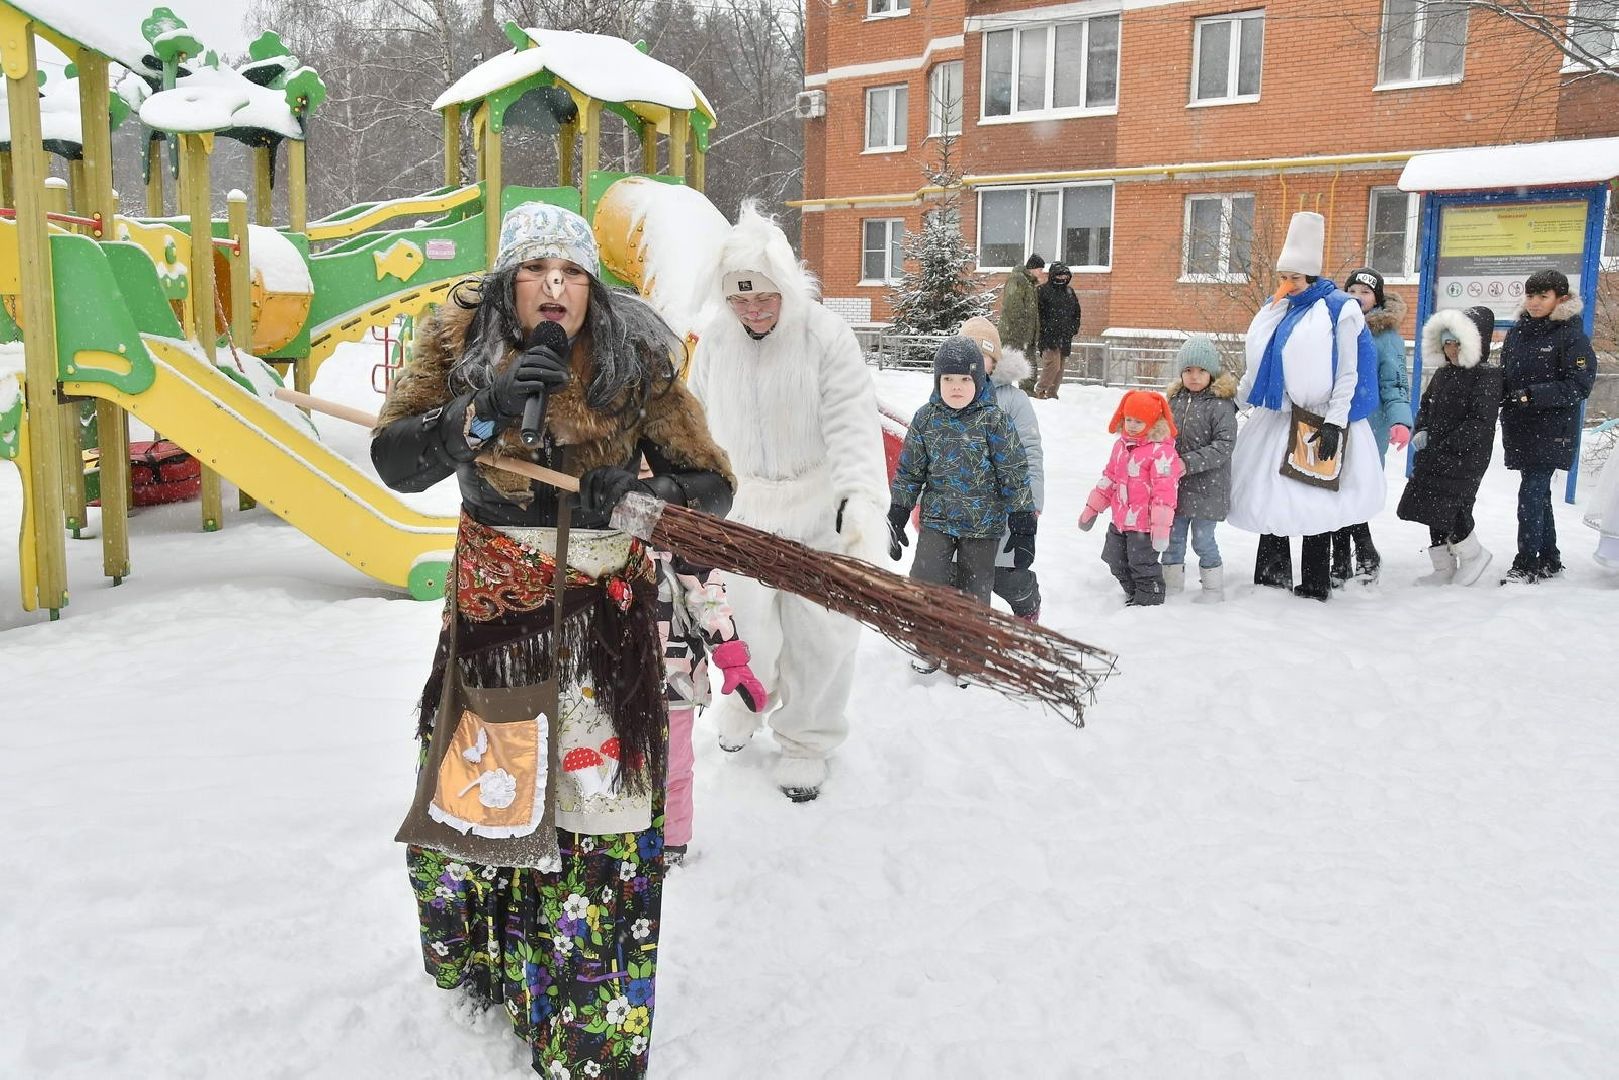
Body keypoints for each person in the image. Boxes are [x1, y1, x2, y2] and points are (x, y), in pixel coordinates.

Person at [370, 201, 736, 1078]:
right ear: (509, 282)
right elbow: (394, 460)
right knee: (492, 802)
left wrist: (650, 496)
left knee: (599, 812)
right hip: (497, 627)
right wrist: (479, 413)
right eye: (535, 269)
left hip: (600, 631)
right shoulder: (458, 343)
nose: (554, 286)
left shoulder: (633, 354)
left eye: (570, 271)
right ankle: (493, 971)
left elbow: (712, 486)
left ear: (589, 287)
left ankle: (589, 1030)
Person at [687, 202, 889, 802]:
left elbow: (852, 422)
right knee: (743, 625)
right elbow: (694, 424)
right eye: (739, 299)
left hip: (816, 505)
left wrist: (858, 499)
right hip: (744, 506)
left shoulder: (824, 336)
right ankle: (748, 699)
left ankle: (806, 739)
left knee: (820, 636)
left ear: (786, 288)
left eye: (763, 297)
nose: (752, 309)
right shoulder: (715, 343)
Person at [1228, 212, 1386, 602]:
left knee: (1316, 500)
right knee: (1272, 494)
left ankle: (1315, 583)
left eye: (1295, 278)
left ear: (1312, 276)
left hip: (1319, 416)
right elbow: (1260, 366)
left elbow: (1348, 371)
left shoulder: (1340, 308)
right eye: (1283, 277)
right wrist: (1232, 402)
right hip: (1278, 416)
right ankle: (1272, 575)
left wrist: (1335, 422)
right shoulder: (1276, 307)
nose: (1287, 285)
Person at [887, 335, 1036, 680]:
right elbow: (910, 472)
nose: (956, 387)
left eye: (965, 379)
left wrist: (1024, 522)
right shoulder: (926, 419)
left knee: (974, 592)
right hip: (937, 521)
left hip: (983, 526)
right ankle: (927, 645)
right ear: (937, 381)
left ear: (979, 380)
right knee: (925, 582)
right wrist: (898, 512)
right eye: (948, 379)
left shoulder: (994, 421)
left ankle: (969, 655)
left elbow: (1014, 473)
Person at [649, 547, 767, 866]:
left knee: (674, 765)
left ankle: (671, 841)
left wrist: (730, 654)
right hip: (608, 676)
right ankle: (612, 836)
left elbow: (706, 592)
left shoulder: (675, 538)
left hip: (675, 675)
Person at [1497, 269, 1598, 584]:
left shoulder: (1571, 336)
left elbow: (1579, 385)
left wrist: (1532, 395)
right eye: (1531, 295)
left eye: (1543, 296)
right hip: (1520, 426)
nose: (1535, 302)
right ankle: (1550, 558)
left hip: (1553, 429)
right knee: (1538, 495)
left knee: (1531, 493)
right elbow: (1506, 375)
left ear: (1560, 299)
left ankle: (1526, 563)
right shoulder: (1518, 332)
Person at [1396, 306, 1501, 586]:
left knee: (1454, 506)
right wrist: (1423, 430)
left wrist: (1446, 446)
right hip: (1435, 453)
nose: (1451, 350)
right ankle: (1443, 566)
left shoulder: (1487, 376)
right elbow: (1426, 405)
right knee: (1431, 506)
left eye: (1457, 343)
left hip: (1466, 457)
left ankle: (1473, 555)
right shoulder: (1444, 374)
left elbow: (1480, 422)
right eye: (1447, 343)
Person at [959, 316, 1044, 621]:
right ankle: (963, 633)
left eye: (982, 356)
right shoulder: (947, 397)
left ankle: (1027, 599)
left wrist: (1030, 505)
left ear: (994, 362)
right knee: (958, 577)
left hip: (1002, 510)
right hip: (958, 510)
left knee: (1005, 575)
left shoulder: (1014, 400)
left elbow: (1030, 453)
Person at [1331, 267, 1413, 586]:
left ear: (1376, 299)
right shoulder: (1335, 326)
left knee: (1357, 489)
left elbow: (1394, 382)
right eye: (1352, 291)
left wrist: (1400, 419)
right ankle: (1340, 560)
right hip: (1335, 421)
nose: (1357, 297)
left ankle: (1366, 554)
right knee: (1334, 489)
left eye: (1365, 292)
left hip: (1369, 425)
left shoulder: (1385, 336)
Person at [1078, 389, 1184, 606]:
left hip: (1144, 525)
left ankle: (1148, 602)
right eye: (1128, 420)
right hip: (1119, 520)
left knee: (1142, 565)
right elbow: (1109, 478)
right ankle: (1134, 594)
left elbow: (1165, 493)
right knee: (1114, 559)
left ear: (1152, 422)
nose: (1132, 425)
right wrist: (1092, 508)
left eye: (1139, 421)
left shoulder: (1161, 452)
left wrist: (1161, 528)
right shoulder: (1120, 446)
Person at [1162, 335, 1237, 603]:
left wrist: (1188, 462)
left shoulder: (1221, 404)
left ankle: (1213, 590)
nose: (1194, 376)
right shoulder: (1174, 401)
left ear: (1212, 372)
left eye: (1201, 370)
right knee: (1172, 538)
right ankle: (1171, 589)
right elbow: (1162, 435)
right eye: (1188, 370)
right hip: (1175, 488)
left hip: (1208, 488)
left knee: (1203, 540)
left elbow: (1224, 445)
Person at [1033, 261, 1081, 399]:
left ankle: (1052, 394)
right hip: (1048, 336)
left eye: (1065, 276)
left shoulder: (1069, 292)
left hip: (1065, 336)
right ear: (1053, 275)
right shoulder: (1042, 291)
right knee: (1052, 365)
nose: (1062, 278)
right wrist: (1042, 329)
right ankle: (1040, 390)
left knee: (1060, 368)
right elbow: (1037, 313)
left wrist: (1073, 329)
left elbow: (1076, 312)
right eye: (1059, 275)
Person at [998, 253, 1044, 361]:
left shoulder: (1030, 283)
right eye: (1040, 269)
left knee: (1028, 368)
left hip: (1025, 338)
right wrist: (1022, 332)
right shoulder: (1018, 280)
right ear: (1033, 268)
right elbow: (1013, 307)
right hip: (1015, 337)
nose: (1041, 272)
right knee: (1016, 367)